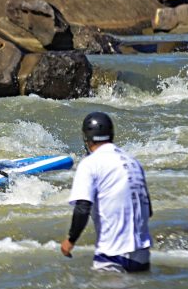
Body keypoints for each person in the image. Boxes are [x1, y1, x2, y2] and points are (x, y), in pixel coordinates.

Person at [60, 112, 152, 273]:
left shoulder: (90, 163)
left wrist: (70, 240)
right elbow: (148, 210)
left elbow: (82, 207)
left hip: (112, 254)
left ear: (86, 138)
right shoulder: (133, 162)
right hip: (142, 253)